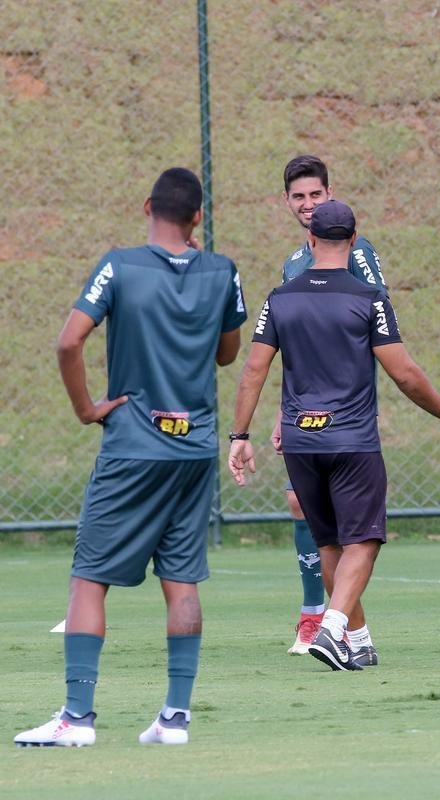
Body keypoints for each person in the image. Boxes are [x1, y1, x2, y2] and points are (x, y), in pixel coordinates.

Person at [15, 168, 246, 747]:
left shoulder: (119, 265)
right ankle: (175, 718)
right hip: (194, 448)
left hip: (134, 447)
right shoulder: (222, 271)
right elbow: (226, 354)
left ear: (147, 206)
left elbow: (69, 340)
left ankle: (77, 718)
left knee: (88, 579)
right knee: (183, 579)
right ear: (198, 217)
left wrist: (86, 408)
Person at [227, 200, 440, 672]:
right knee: (365, 541)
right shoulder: (369, 298)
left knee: (330, 544)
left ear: (311, 241)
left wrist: (240, 434)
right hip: (351, 440)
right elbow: (404, 373)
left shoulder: (280, 298)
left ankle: (357, 640)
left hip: (299, 441)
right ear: (354, 240)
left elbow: (254, 369)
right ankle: (333, 629)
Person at [276, 155, 388, 656]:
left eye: (315, 195)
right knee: (302, 506)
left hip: (346, 413)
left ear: (330, 196)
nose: (307, 204)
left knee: (348, 530)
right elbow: (289, 347)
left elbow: (375, 322)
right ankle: (322, 620)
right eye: (298, 196)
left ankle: (333, 623)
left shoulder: (358, 254)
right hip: (303, 412)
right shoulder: (292, 265)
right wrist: (283, 414)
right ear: (287, 202)